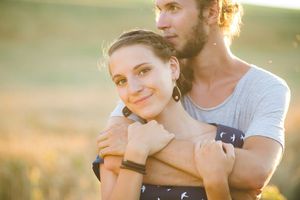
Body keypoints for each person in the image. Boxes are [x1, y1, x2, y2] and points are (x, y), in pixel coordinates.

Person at [96, 0, 290, 199]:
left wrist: (145, 147)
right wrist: (227, 178)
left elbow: (253, 175)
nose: (160, 23)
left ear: (212, 12)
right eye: (159, 10)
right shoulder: (153, 83)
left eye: (173, 8)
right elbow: (112, 160)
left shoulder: (266, 88)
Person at [94, 29, 244, 200]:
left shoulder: (228, 143)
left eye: (143, 71)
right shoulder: (115, 146)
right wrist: (136, 151)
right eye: (121, 81)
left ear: (173, 68)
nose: (133, 89)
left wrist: (215, 182)